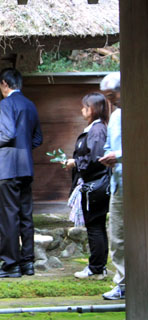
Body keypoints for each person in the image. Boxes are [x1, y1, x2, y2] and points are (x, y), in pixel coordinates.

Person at [0, 68, 43, 278]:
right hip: (26, 166)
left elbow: (7, 133)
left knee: (9, 217)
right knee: (26, 215)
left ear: (4, 84)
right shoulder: (30, 104)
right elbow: (37, 139)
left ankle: (11, 265)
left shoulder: (7, 103)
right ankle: (28, 263)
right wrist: (24, 148)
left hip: (9, 167)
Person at [65, 93, 110, 280]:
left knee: (95, 226)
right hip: (92, 184)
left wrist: (76, 162)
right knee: (95, 226)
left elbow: (96, 158)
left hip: (95, 184)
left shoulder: (97, 130)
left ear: (93, 109)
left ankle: (96, 268)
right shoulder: (94, 129)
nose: (82, 110)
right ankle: (98, 266)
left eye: (85, 107)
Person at [98, 72, 125, 300]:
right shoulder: (115, 116)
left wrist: (121, 155)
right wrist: (108, 156)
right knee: (118, 237)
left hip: (137, 182)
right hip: (118, 183)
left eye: (111, 95)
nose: (110, 100)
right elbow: (109, 145)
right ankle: (123, 284)